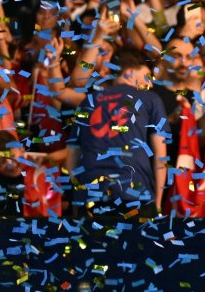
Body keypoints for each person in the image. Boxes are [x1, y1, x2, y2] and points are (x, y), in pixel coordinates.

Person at [67, 44, 168, 220]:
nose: (150, 83)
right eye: (148, 76)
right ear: (129, 72)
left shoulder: (88, 101)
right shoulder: (150, 99)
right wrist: (157, 203)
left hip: (91, 197)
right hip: (135, 194)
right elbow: (161, 156)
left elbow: (72, 157)